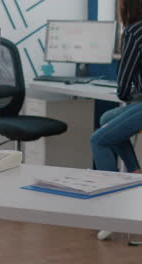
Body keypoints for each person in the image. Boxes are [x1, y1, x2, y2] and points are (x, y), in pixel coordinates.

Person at [90, 0, 142, 240]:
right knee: (106, 118)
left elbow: (123, 85)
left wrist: (128, 93)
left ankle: (110, 214)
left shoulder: (134, 31)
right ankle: (134, 170)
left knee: (98, 140)